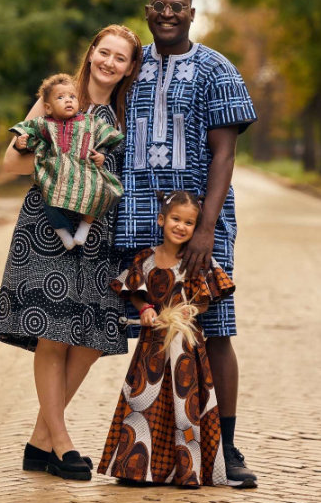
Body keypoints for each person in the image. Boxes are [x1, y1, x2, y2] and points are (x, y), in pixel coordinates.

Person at [115, 0, 258, 487]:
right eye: (159, 5)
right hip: (137, 216)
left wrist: (206, 229)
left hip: (200, 219)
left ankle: (228, 449)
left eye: (177, 6)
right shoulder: (133, 68)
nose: (167, 13)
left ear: (191, 13)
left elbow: (225, 152)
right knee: (148, 327)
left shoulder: (217, 69)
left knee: (214, 330)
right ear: (149, 11)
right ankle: (154, 448)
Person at [0, 25, 143, 481]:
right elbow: (11, 161)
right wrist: (62, 166)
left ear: (129, 67)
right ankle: (61, 442)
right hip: (47, 227)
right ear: (91, 53)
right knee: (53, 336)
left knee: (91, 340)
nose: (110, 62)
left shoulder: (125, 111)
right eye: (104, 52)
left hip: (98, 233)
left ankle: (39, 442)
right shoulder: (60, 96)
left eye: (121, 57)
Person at [99, 191, 234, 487]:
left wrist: (190, 308)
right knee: (146, 404)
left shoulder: (196, 262)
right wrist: (145, 309)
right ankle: (138, 468)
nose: (181, 226)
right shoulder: (146, 259)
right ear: (162, 220)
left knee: (183, 407)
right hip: (152, 350)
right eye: (176, 219)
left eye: (189, 222)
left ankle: (186, 469)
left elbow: (204, 300)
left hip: (185, 348)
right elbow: (134, 290)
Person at [9, 73, 125, 249]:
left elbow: (103, 143)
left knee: (98, 193)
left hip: (85, 174)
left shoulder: (91, 122)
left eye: (72, 97)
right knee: (49, 201)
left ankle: (85, 226)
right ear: (48, 108)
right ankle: (63, 232)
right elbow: (26, 134)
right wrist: (20, 143)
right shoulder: (44, 124)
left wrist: (101, 156)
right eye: (61, 97)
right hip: (56, 176)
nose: (68, 101)